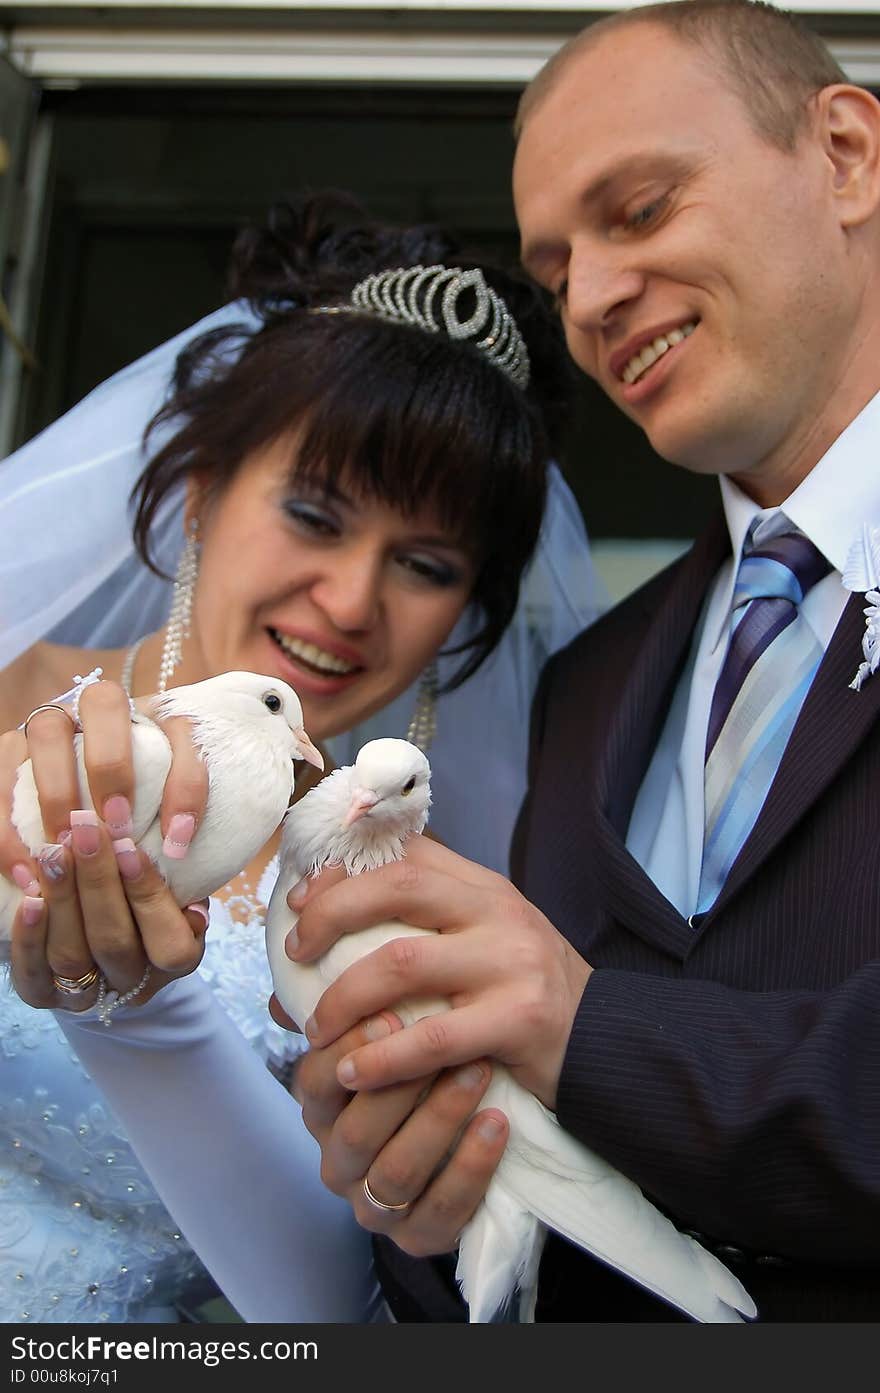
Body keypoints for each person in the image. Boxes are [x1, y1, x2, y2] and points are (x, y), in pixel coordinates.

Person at [253, 0, 880, 1323]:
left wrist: (584, 1029)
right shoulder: (594, 678)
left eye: (639, 210)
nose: (590, 300)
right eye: (556, 270)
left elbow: (584, 1035)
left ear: (846, 155)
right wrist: (426, 1189)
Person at [0, 192, 606, 1323]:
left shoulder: (430, 904)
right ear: (199, 491)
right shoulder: (8, 703)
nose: (349, 601)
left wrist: (150, 1021)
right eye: (316, 516)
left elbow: (344, 1307)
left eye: (425, 565)